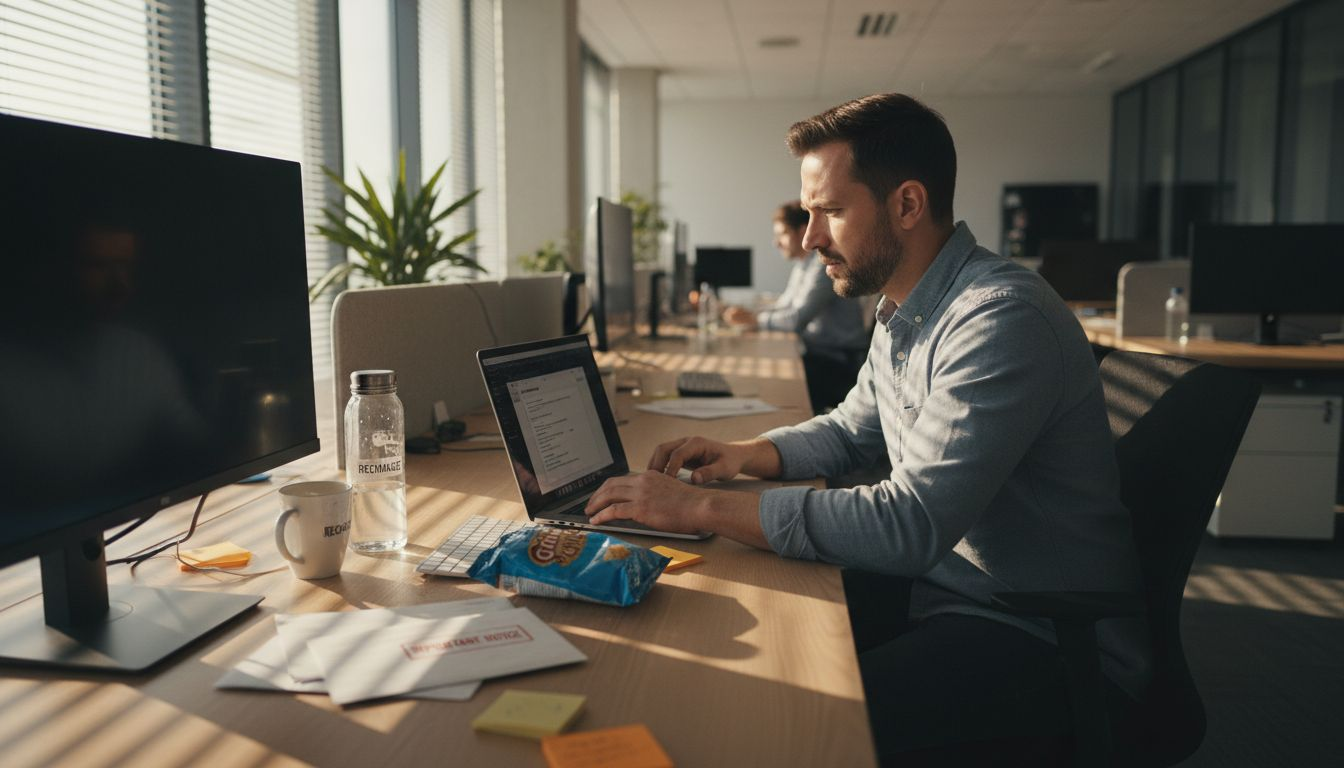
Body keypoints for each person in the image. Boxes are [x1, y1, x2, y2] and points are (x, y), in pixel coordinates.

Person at [583, 93, 1149, 763]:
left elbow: (908, 524)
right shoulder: (905, 306)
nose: (812, 236)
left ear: (907, 205)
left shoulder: (999, 319)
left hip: (1036, 631)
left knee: (785, 732)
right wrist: (743, 456)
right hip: (949, 588)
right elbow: (853, 430)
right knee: (747, 637)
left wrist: (701, 505)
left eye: (831, 211)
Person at [722, 202, 869, 413]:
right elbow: (785, 306)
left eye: (782, 234)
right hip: (821, 354)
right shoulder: (804, 264)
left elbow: (797, 319)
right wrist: (750, 315)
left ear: (802, 231)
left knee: (772, 378)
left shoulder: (822, 266)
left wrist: (754, 321)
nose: (776, 243)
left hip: (839, 362)